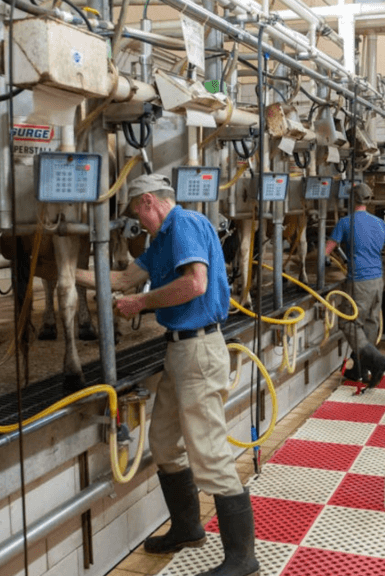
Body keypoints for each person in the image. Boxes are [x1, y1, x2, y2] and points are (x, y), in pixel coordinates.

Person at [78, 174, 258, 576]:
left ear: (147, 202)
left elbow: (195, 283)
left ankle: (243, 558)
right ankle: (188, 528)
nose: (137, 223)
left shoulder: (186, 225)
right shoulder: (160, 241)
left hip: (198, 350)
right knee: (162, 442)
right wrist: (63, 274)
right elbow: (124, 279)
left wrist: (141, 303)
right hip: (178, 350)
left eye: (136, 214)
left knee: (209, 453)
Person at [325, 182, 385, 389]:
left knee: (349, 323)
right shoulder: (378, 223)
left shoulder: (345, 222)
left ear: (351, 200)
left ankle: (377, 361)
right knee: (369, 324)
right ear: (369, 200)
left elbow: (327, 250)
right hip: (378, 281)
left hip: (359, 281)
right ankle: (363, 370)